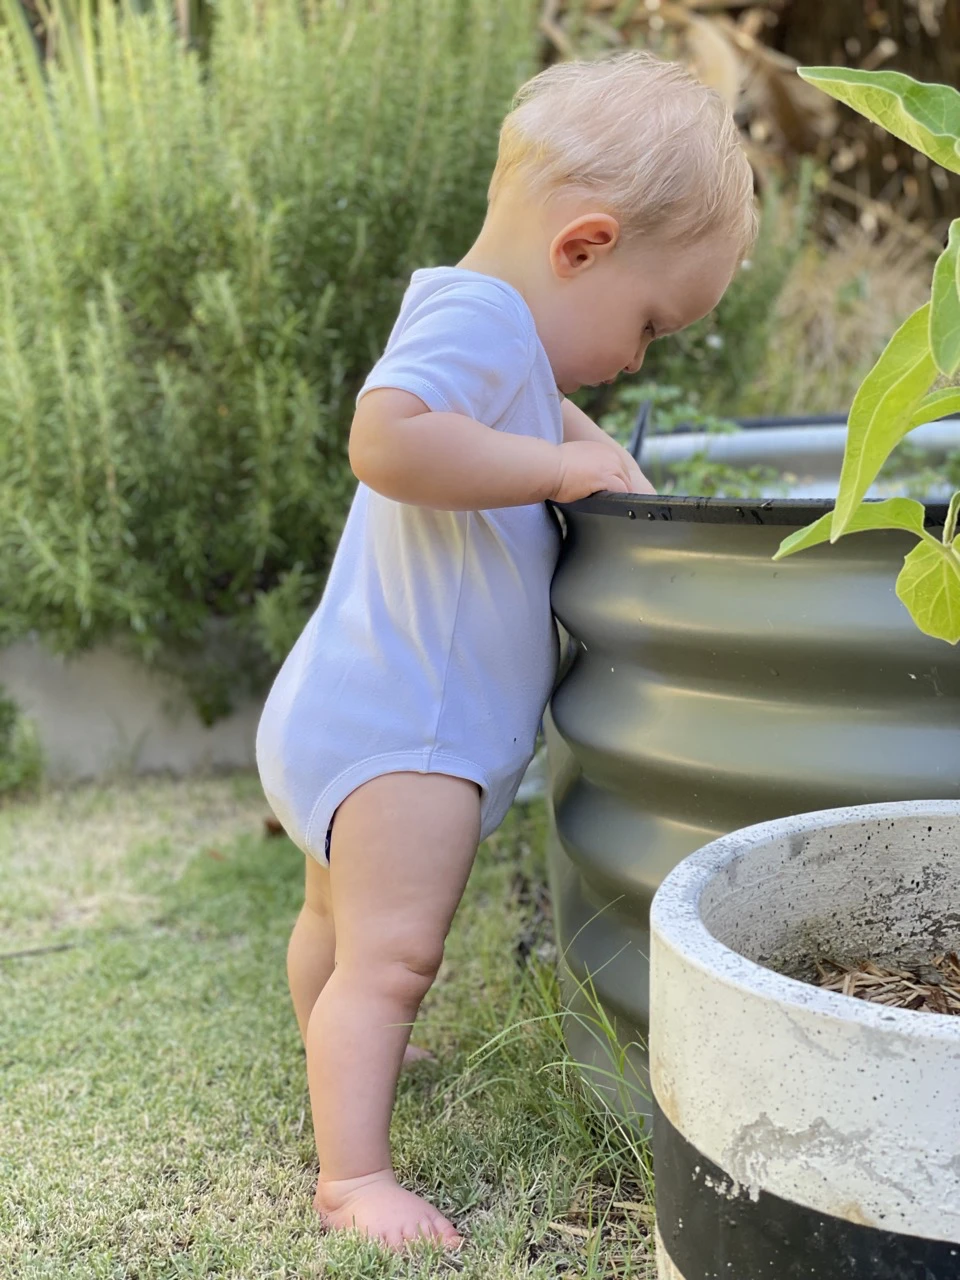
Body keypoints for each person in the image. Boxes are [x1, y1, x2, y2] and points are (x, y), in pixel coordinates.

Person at [256, 49, 756, 1251]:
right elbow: (386, 440)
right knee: (392, 953)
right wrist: (559, 468)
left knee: (337, 929)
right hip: (407, 741)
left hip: (347, 707)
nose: (637, 359)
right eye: (647, 323)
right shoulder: (479, 321)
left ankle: (346, 1043)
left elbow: (550, 420)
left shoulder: (493, 338)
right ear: (582, 246)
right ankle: (352, 1179)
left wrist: (586, 447)